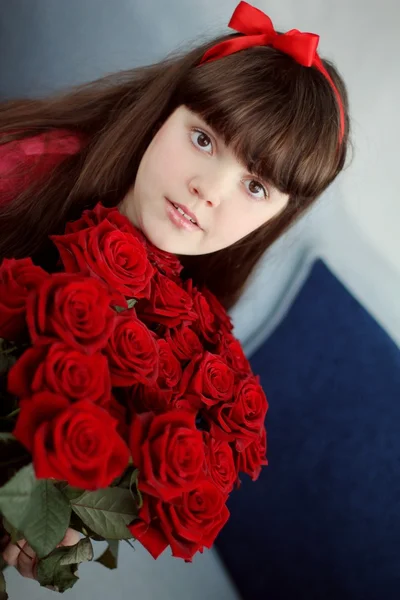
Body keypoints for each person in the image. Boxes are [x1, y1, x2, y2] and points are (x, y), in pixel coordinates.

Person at [0, 0, 350, 580]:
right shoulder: (31, 170)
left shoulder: (177, 317)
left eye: (256, 187)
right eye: (205, 140)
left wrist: (44, 505)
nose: (207, 190)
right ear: (166, 112)